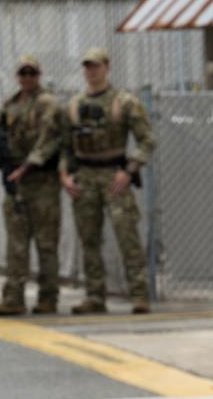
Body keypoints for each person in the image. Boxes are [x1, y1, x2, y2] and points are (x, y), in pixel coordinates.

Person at [61, 47, 154, 315]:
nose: (92, 71)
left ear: (107, 68)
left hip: (114, 175)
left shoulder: (125, 102)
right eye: (87, 67)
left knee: (127, 236)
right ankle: (94, 296)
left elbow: (147, 140)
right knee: (88, 239)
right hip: (85, 177)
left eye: (97, 66)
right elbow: (66, 147)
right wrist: (66, 177)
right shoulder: (74, 105)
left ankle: (139, 294)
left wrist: (129, 169)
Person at [0, 54, 63, 316]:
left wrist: (26, 167)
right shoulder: (10, 104)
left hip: (41, 181)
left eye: (32, 73)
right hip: (16, 181)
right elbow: (3, 136)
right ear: (17, 76)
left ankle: (48, 297)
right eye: (23, 73)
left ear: (39, 75)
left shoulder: (48, 103)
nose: (27, 78)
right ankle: (14, 298)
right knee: (16, 244)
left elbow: (49, 140)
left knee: (46, 244)